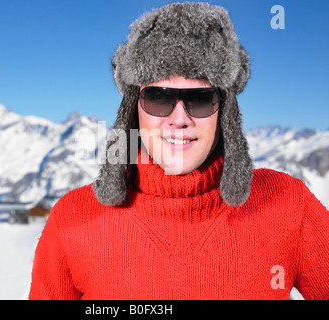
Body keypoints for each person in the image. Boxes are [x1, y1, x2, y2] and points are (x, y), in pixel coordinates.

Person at [29, 2, 329, 300]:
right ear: (133, 109)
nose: (180, 119)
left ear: (224, 111)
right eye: (159, 98)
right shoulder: (72, 219)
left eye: (200, 98)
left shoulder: (288, 204)